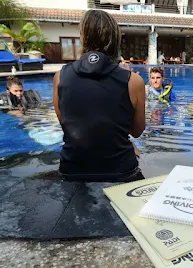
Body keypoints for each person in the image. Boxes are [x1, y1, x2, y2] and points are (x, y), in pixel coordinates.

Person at [53, 9, 146, 182]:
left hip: (72, 169)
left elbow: (66, 122)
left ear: (83, 37)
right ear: (115, 39)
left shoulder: (60, 76)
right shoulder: (134, 81)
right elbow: (137, 131)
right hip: (121, 171)